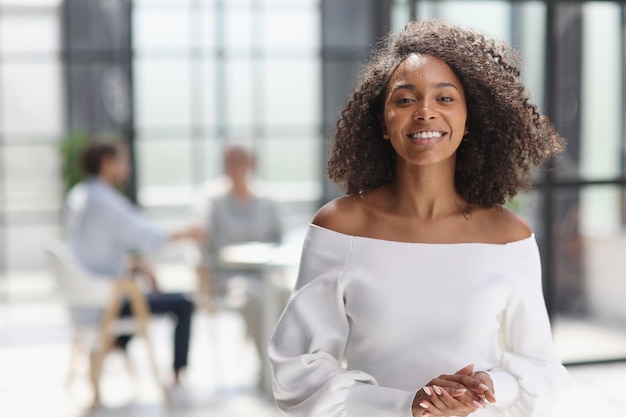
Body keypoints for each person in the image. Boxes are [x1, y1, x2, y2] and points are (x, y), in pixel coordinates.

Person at [268, 19, 569, 417]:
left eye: (445, 98)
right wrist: (405, 405)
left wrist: (484, 388)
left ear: (469, 120)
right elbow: (294, 372)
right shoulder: (341, 228)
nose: (425, 112)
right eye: (405, 99)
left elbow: (543, 370)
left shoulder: (507, 237)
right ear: (382, 120)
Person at [63, 137, 201, 385]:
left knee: (144, 295)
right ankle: (179, 377)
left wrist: (136, 265)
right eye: (123, 161)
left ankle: (116, 343)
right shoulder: (105, 202)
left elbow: (96, 250)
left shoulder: (80, 196)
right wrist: (187, 233)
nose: (127, 168)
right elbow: (148, 236)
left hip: (86, 295)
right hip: (105, 302)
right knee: (184, 303)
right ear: (107, 163)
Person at [192, 143, 283, 372]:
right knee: (256, 298)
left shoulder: (267, 200)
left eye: (238, 162)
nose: (232, 168)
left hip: (264, 273)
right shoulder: (211, 200)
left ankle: (291, 366)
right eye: (228, 163)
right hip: (226, 278)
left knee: (286, 295)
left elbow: (280, 240)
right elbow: (201, 237)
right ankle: (273, 371)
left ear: (251, 165)